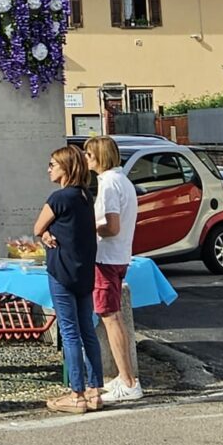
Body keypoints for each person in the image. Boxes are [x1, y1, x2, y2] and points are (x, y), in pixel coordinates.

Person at [36, 145, 104, 414]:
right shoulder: (85, 196)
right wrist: (47, 234)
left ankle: (76, 393)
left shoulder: (59, 197)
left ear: (66, 167)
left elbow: (37, 226)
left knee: (70, 331)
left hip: (61, 270)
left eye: (53, 164)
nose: (49, 168)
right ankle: (94, 390)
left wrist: (43, 234)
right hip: (84, 270)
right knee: (87, 328)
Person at [86, 135, 143, 403]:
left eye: (89, 154)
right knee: (114, 316)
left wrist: (87, 227)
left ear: (99, 156)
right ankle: (125, 377)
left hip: (106, 256)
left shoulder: (107, 182)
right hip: (120, 255)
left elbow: (111, 227)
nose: (86, 159)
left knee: (110, 317)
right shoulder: (123, 181)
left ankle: (129, 382)